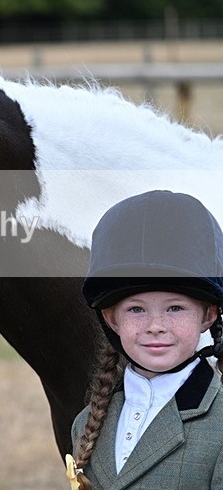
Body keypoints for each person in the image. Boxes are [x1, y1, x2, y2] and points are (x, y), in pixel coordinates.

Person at [67, 190, 223, 489]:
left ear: (209, 315)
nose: (155, 326)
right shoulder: (86, 423)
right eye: (136, 309)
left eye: (175, 308)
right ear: (111, 318)